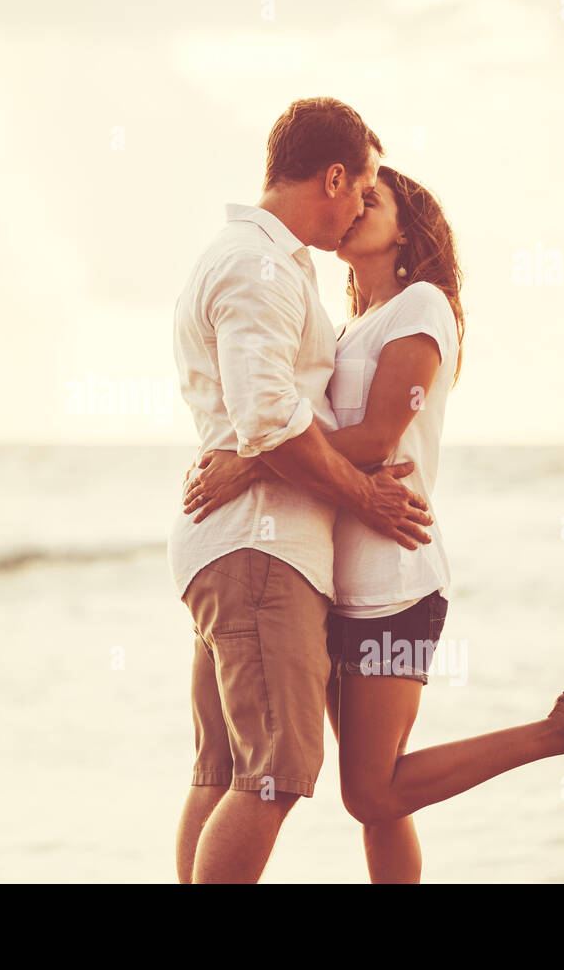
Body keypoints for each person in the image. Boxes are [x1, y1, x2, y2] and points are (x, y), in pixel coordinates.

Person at [181, 163, 564, 883]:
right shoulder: (357, 326)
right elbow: (307, 433)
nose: (350, 213)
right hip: (335, 583)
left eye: (369, 202)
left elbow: (378, 439)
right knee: (384, 799)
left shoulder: (423, 305)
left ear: (407, 229)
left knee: (371, 792)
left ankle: (556, 730)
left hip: (394, 583)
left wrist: (248, 461)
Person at [167, 97, 434, 885]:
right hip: (261, 549)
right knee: (277, 771)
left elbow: (268, 419)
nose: (359, 206)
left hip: (240, 546)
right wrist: (364, 495)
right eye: (364, 186)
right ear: (334, 175)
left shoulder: (268, 262)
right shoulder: (258, 267)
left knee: (223, 771)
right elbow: (269, 420)